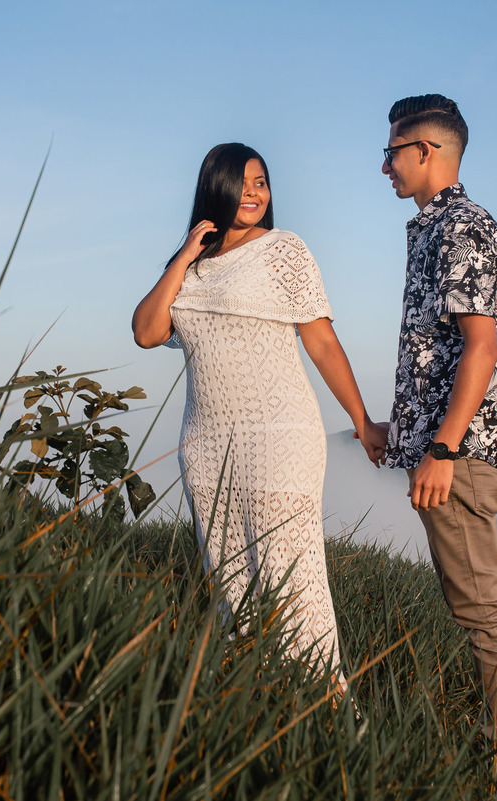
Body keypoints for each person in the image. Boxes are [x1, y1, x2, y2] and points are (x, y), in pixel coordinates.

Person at [132, 143, 386, 691]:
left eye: (262, 182)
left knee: (288, 574)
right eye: (243, 182)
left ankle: (327, 707)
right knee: (228, 576)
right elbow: (147, 332)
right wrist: (182, 258)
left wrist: (362, 421)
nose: (254, 192)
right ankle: (258, 697)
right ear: (215, 187)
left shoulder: (284, 251)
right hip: (205, 443)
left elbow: (320, 342)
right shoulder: (191, 269)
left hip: (280, 435)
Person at [372, 94, 497, 750]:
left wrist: (442, 448)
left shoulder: (459, 227)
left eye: (392, 152)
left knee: (479, 603)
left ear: (425, 151)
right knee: (476, 599)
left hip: (460, 452)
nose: (384, 166)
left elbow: (481, 345)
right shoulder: (436, 227)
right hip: (449, 447)